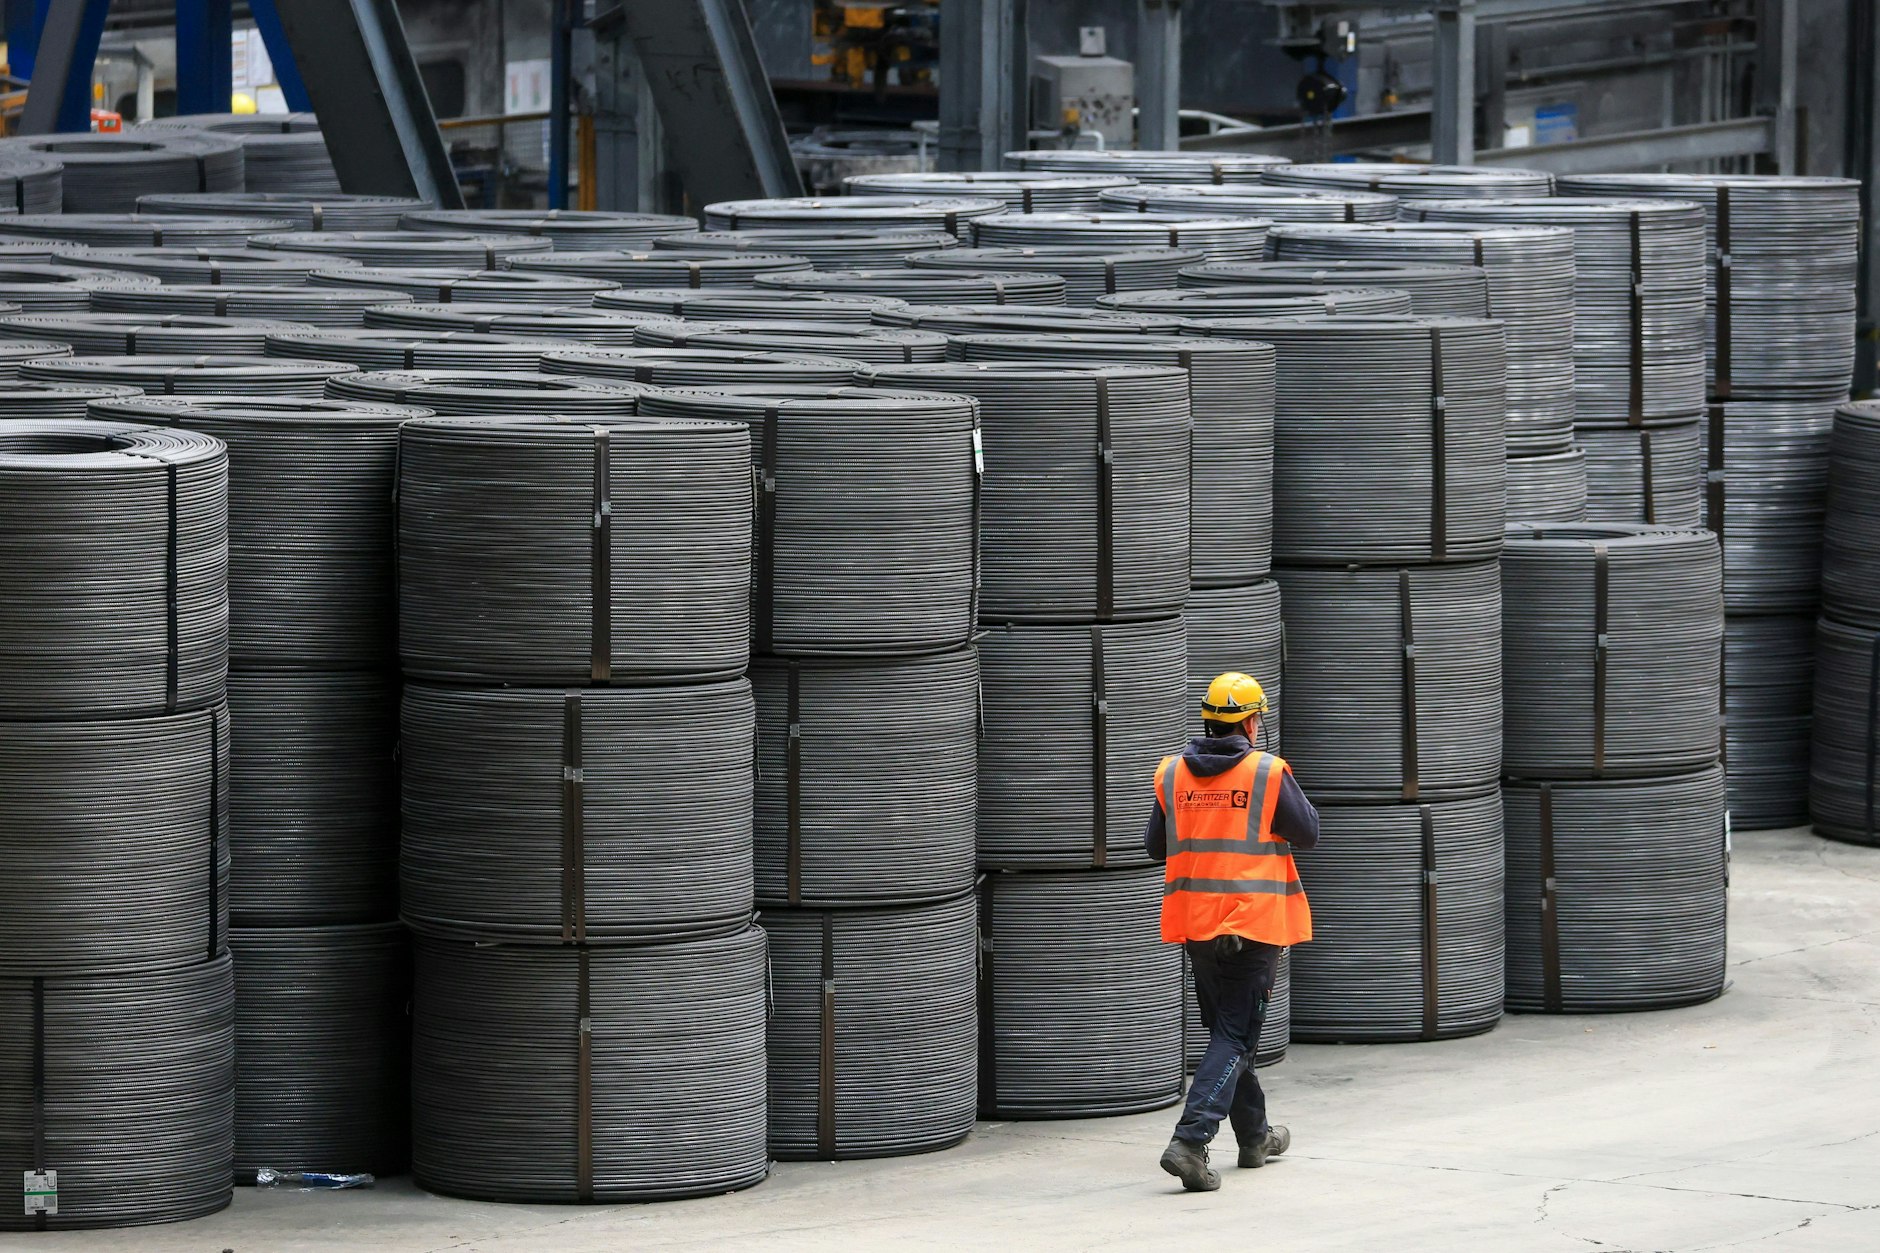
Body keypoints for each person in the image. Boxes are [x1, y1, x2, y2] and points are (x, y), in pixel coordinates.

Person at [1147, 671, 1319, 1192]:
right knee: (1235, 1036)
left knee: (1228, 1032)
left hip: (1198, 927)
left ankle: (1255, 1137)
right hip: (1251, 925)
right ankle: (1189, 1141)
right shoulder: (1266, 772)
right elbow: (1308, 831)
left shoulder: (1172, 773)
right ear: (1250, 722)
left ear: (1207, 720)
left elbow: (1156, 846)